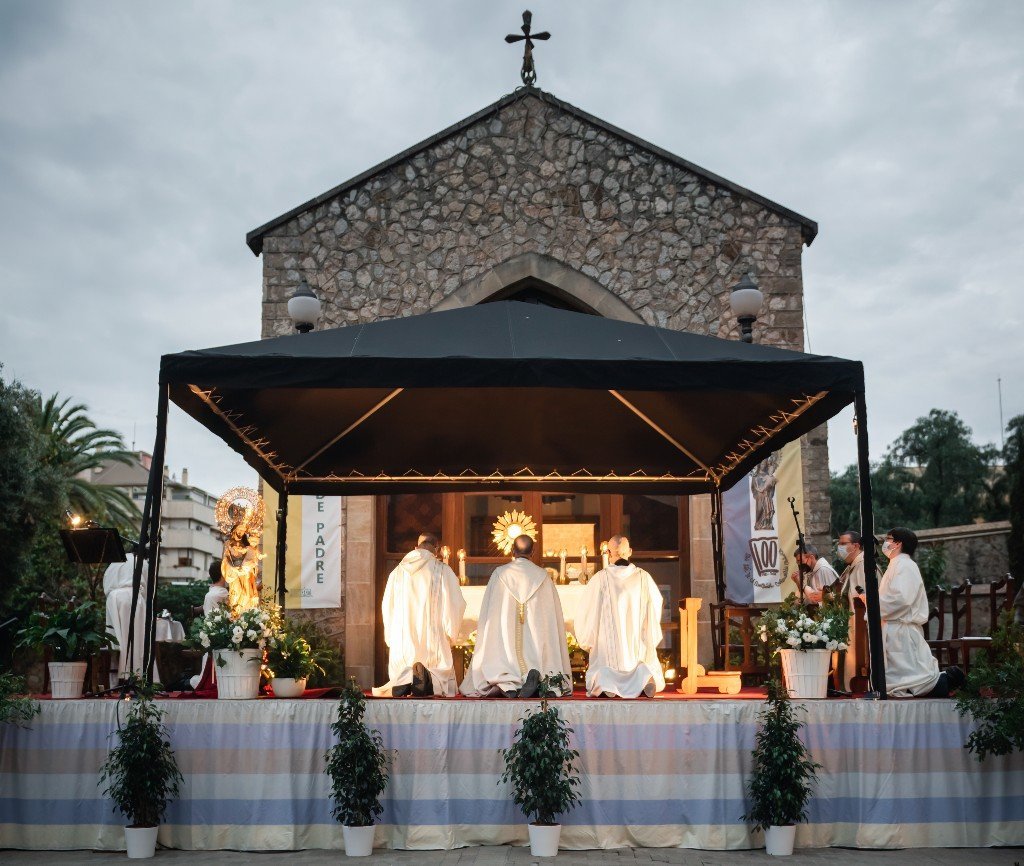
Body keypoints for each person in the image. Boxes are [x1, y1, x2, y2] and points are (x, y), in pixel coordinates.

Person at [856, 527, 965, 698]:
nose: (885, 543)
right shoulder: (897, 564)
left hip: (901, 628)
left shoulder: (905, 566)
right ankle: (943, 682)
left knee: (912, 675)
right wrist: (872, 600)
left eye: (888, 539)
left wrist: (872, 601)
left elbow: (901, 599)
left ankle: (946, 682)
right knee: (904, 673)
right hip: (894, 626)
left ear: (898, 543)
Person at [461, 533, 571, 697]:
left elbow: (489, 612)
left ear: (512, 551)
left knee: (502, 640)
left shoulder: (500, 574)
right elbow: (551, 616)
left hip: (506, 636)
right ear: (533, 552)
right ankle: (536, 677)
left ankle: (507, 682)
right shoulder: (543, 576)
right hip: (536, 637)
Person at [373, 533, 466, 698]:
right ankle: (428, 682)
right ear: (436, 549)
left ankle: (404, 681)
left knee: (404, 660)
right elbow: (456, 604)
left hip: (404, 637)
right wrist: (450, 633)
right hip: (433, 636)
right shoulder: (442, 571)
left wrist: (391, 636)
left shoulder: (397, 572)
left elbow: (387, 605)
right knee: (436, 667)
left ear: (416, 547)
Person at [576, 535, 665, 698]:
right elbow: (656, 607)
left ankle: (609, 685)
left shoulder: (599, 579)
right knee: (642, 667)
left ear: (609, 554)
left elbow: (586, 613)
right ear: (629, 552)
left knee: (604, 672)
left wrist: (588, 641)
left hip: (607, 656)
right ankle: (642, 680)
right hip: (636, 651)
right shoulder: (644, 577)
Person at [190, 561, 231, 690]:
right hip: (221, 636)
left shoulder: (211, 593)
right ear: (223, 574)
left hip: (211, 634)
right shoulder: (222, 594)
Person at [835, 530, 865, 690]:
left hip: (859, 625)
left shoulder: (864, 566)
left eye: (843, 544)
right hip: (850, 622)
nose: (839, 547)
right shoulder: (852, 567)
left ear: (856, 546)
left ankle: (858, 685)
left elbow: (866, 598)